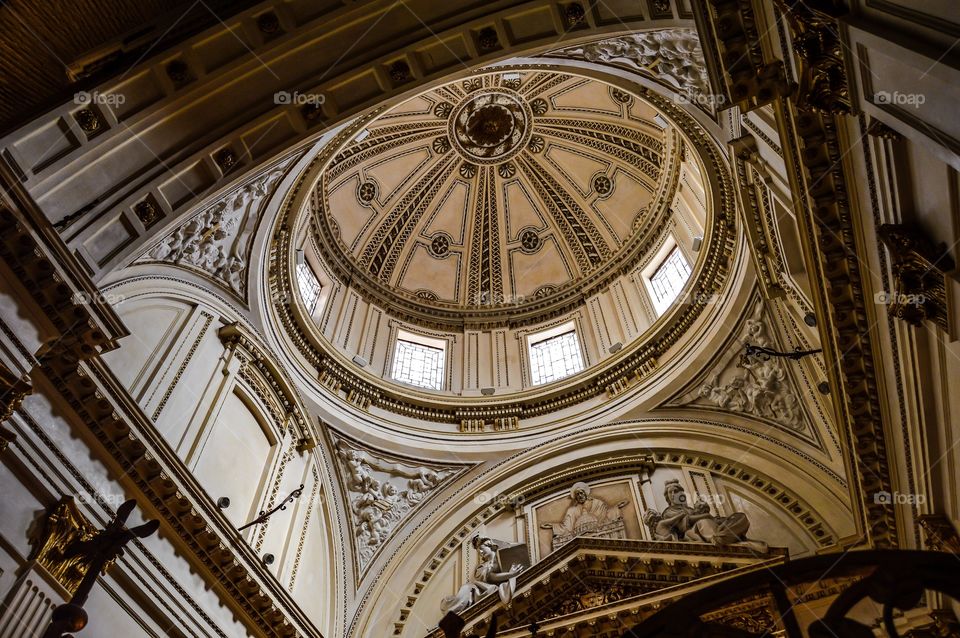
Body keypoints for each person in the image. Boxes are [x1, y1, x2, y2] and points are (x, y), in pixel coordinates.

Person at [644, 479, 767, 552]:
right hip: (694, 533)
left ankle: (724, 538)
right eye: (670, 493)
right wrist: (705, 516)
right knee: (703, 523)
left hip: (713, 526)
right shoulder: (668, 512)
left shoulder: (690, 508)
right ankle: (718, 539)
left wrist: (713, 517)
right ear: (667, 497)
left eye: (676, 491)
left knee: (740, 517)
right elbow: (684, 525)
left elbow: (710, 517)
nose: (673, 494)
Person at [440, 537, 525, 615]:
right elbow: (491, 577)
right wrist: (510, 574)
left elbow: (518, 548)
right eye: (478, 551)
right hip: (485, 589)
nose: (480, 553)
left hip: (498, 586)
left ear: (489, 545)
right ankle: (452, 612)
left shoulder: (504, 554)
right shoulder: (482, 567)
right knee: (467, 587)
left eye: (481, 549)